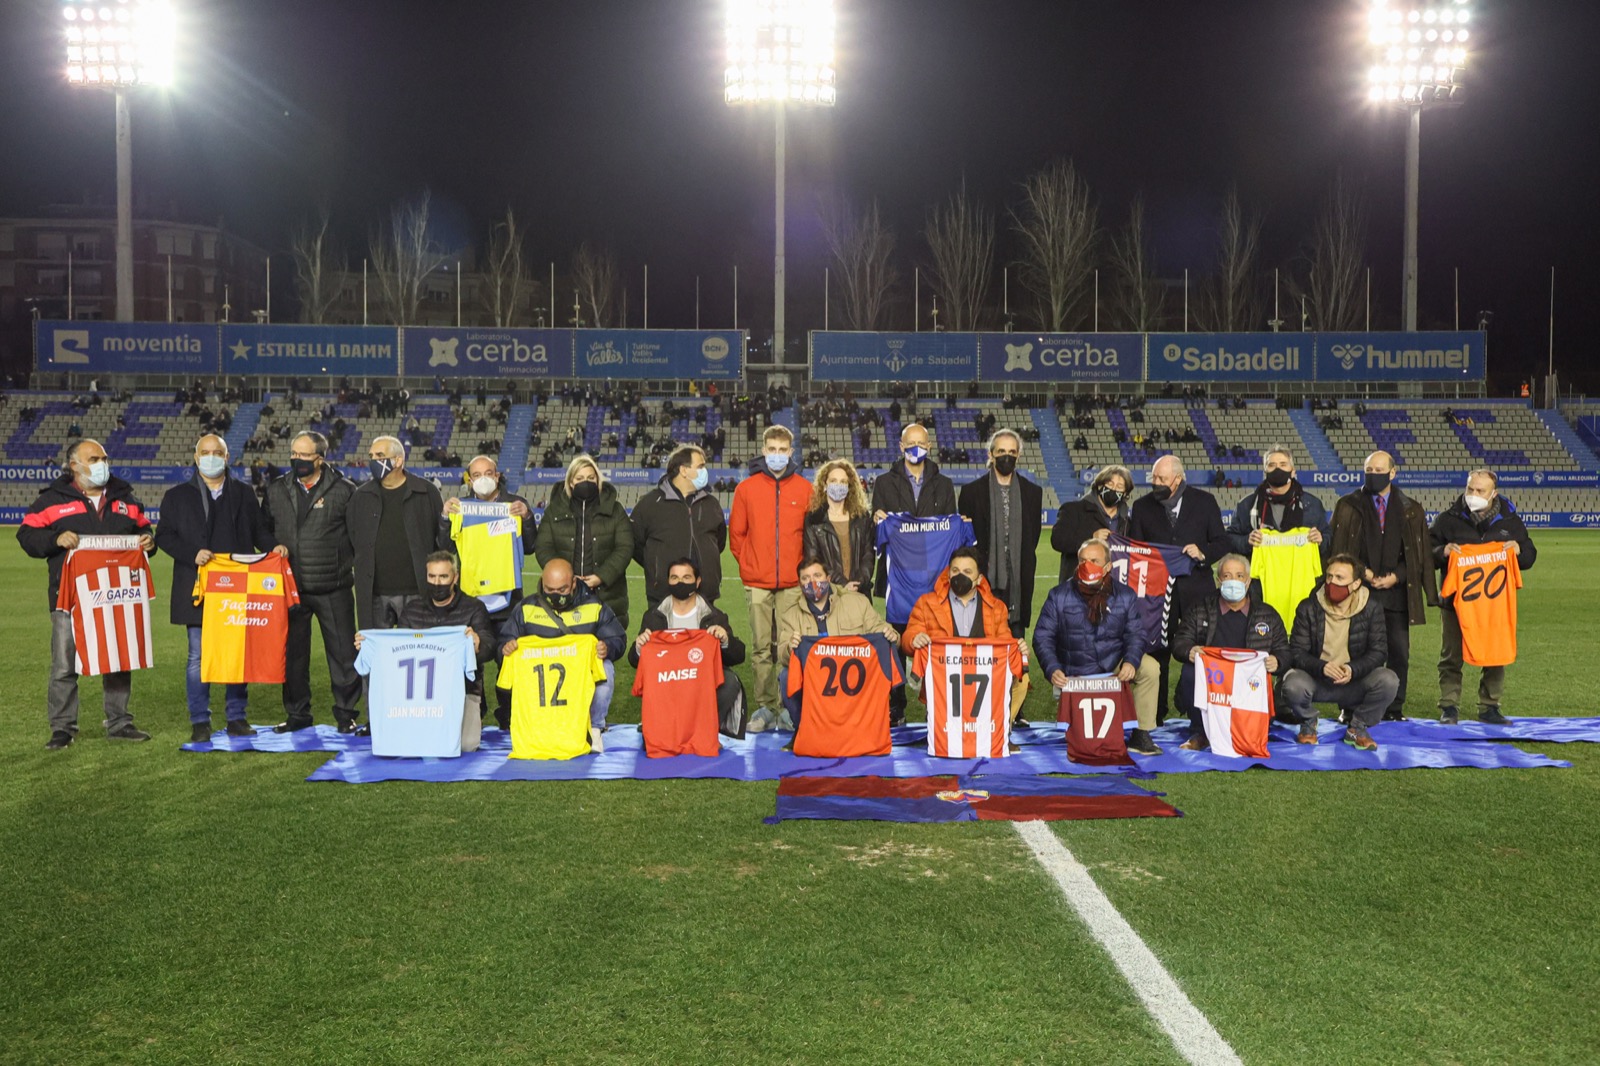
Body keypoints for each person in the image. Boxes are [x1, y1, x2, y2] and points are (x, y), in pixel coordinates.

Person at [18, 439, 158, 748]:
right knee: (64, 664)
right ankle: (63, 728)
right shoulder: (51, 500)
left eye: (104, 458)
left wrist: (149, 540)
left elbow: (143, 528)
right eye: (94, 459)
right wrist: (55, 539)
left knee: (118, 657)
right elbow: (26, 534)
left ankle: (120, 722)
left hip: (116, 593)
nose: (102, 464)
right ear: (74, 466)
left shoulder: (125, 497)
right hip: (69, 596)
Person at [155, 434, 282, 744]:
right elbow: (164, 536)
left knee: (236, 654)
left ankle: (236, 718)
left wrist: (273, 549)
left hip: (237, 589)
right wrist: (192, 553)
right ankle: (200, 721)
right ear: (196, 457)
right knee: (197, 656)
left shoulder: (244, 493)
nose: (211, 457)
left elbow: (258, 532)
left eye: (217, 452)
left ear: (227, 458)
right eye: (205, 452)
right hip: (197, 588)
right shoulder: (176, 496)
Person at [262, 430, 364, 734]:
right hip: (290, 588)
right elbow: (263, 529)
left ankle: (346, 715)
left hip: (333, 586)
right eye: (294, 454)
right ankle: (297, 714)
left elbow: (358, 536)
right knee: (293, 656)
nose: (297, 460)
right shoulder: (276, 489)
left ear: (320, 458)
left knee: (344, 655)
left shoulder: (345, 490)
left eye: (304, 455)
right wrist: (271, 546)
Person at [1329, 450, 1437, 720]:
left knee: (1399, 653)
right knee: (1354, 651)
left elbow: (1418, 555)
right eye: (1369, 470)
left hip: (1397, 595)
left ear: (1392, 472)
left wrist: (1396, 576)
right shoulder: (1347, 505)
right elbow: (1338, 549)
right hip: (1358, 592)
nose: (1373, 475)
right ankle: (1349, 708)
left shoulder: (1411, 509)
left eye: (1379, 470)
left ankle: (1394, 708)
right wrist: (1362, 572)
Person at [1127, 454, 1232, 723]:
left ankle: (1201, 713)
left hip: (1197, 591)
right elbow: (1136, 551)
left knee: (1202, 651)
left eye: (1162, 478)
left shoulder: (1205, 502)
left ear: (1178, 479)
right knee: (1157, 653)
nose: (1156, 482)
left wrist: (1203, 552)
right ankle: (1155, 715)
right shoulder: (1141, 506)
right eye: (1153, 477)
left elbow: (1222, 542)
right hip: (1156, 594)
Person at [1033, 538, 1163, 753]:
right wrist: (1052, 668)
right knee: (1084, 743)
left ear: (1108, 566)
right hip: (1074, 666)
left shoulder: (1125, 595)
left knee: (1149, 668)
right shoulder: (1059, 595)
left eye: (1094, 561)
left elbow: (1136, 634)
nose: (1087, 565)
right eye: (1083, 560)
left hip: (1112, 661)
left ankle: (1141, 733)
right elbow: (1042, 636)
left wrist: (1130, 662)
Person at [1428, 468, 1536, 725]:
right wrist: (1442, 551)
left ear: (1493, 493)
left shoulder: (1510, 521)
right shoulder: (1447, 519)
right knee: (1451, 656)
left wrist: (1518, 550)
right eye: (1470, 489)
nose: (1473, 494)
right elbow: (1426, 553)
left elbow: (1530, 556)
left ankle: (1490, 706)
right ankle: (1449, 706)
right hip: (1456, 604)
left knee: (1495, 654)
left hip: (1494, 604)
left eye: (1480, 490)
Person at [357, 551, 497, 747]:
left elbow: (490, 646)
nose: (437, 583)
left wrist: (477, 644)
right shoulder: (412, 609)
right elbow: (396, 650)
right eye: (432, 576)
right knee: (406, 744)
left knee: (465, 745)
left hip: (463, 692)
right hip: (417, 697)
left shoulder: (474, 608)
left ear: (455, 577)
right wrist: (372, 646)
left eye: (443, 577)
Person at [441, 453, 534, 731]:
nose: (483, 479)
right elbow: (445, 545)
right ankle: (474, 714)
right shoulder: (461, 508)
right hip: (471, 600)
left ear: (497, 475)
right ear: (469, 480)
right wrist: (445, 517)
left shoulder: (514, 505)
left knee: (509, 658)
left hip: (508, 598)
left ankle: (509, 714)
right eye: (476, 474)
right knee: (470, 659)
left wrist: (527, 517)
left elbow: (530, 546)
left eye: (488, 473)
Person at [730, 425, 811, 733]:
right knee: (761, 647)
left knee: (788, 648)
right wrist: (750, 566)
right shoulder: (746, 489)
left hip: (792, 585)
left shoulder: (805, 489)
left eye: (782, 450)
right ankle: (765, 707)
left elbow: (808, 537)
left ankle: (787, 707)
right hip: (757, 583)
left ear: (791, 452)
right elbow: (737, 535)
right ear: (764, 451)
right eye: (772, 450)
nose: (777, 455)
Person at [499, 557, 626, 751]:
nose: (555, 595)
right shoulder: (526, 608)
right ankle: (533, 725)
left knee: (605, 667)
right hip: (539, 681)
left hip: (578, 677)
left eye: (562, 590)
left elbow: (618, 638)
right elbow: (504, 641)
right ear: (542, 582)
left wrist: (607, 647)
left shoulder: (594, 606)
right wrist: (506, 648)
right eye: (549, 590)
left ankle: (594, 728)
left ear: (574, 583)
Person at [1169, 553, 1290, 751]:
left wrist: (1278, 661)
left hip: (1249, 684)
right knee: (1190, 671)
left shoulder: (1267, 614)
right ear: (1219, 580)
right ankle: (1201, 732)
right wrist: (1189, 650)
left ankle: (1250, 731)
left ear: (1248, 581)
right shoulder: (1200, 608)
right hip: (1214, 681)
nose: (1233, 581)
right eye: (1227, 576)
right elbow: (1180, 641)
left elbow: (1284, 650)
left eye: (1239, 576)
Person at [1280, 554, 1400, 751]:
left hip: (1354, 680)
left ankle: (1358, 727)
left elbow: (1379, 652)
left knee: (1389, 680)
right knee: (1292, 684)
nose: (1331, 582)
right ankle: (1308, 722)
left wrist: (1352, 669)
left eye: (1339, 578)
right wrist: (1322, 667)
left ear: (1356, 584)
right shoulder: (1308, 607)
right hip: (1316, 678)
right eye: (1329, 576)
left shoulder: (1372, 608)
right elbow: (1296, 652)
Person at [902, 546, 1031, 725]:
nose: (959, 576)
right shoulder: (926, 603)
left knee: (1023, 679)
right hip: (943, 687)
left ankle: (1000, 728)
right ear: (948, 574)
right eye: (955, 570)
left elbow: (1005, 645)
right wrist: (914, 639)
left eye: (967, 572)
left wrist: (1019, 650)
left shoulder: (997, 608)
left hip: (985, 683)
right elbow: (908, 638)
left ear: (979, 579)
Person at [777, 555, 900, 728]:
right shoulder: (791, 615)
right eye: (806, 578)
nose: (812, 582)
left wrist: (892, 635)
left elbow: (881, 630)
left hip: (852, 679)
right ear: (799, 584)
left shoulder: (856, 602)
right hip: (814, 681)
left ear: (828, 578)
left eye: (817, 576)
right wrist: (790, 647)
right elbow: (782, 654)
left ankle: (867, 726)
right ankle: (804, 729)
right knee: (786, 676)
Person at [629, 557, 748, 736]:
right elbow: (634, 660)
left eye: (686, 577)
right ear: (668, 581)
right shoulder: (654, 617)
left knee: (729, 682)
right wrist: (639, 648)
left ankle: (705, 728)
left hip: (701, 684)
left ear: (697, 581)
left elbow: (739, 655)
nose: (680, 583)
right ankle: (661, 725)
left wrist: (724, 640)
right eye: (674, 578)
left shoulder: (713, 616)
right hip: (668, 682)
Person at [348, 435, 448, 631]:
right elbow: (353, 538)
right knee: (378, 648)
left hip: (417, 591)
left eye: (380, 455)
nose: (373, 461)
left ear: (398, 460)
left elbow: (441, 541)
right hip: (375, 593)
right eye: (371, 456)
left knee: (418, 646)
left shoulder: (426, 492)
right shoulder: (361, 496)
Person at [958, 429, 1043, 638]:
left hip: (1019, 578)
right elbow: (966, 540)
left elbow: (1032, 537)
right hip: (984, 575)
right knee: (982, 634)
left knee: (1015, 635)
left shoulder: (1033, 492)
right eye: (1002, 451)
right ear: (991, 454)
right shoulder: (971, 492)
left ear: (1018, 455)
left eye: (1012, 452)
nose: (1007, 456)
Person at [534, 454, 634, 629]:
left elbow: (625, 547)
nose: (585, 482)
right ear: (571, 482)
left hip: (607, 596)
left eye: (590, 478)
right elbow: (543, 547)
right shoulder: (553, 511)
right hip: (564, 593)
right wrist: (565, 577)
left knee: (606, 643)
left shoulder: (615, 510)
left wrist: (601, 577)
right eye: (579, 478)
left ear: (598, 480)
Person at [632, 444, 726, 606]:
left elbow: (719, 542)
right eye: (700, 466)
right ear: (683, 470)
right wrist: (657, 567)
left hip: (705, 595)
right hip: (663, 597)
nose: (705, 471)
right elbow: (634, 543)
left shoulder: (711, 504)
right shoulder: (651, 503)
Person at [1226, 447, 1329, 556]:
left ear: (1293, 472)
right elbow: (1229, 539)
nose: (1277, 469)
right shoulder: (1247, 505)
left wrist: (1320, 540)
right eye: (1272, 465)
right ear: (1265, 472)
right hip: (1262, 566)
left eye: (1283, 465)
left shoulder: (1312, 504)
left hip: (1299, 566)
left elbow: (1328, 539)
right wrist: (1247, 541)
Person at [1051, 464, 1134, 585]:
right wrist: (1090, 538)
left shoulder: (1128, 522)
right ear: (1100, 485)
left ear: (1125, 493)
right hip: (1078, 588)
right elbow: (1058, 540)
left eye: (1119, 486)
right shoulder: (1073, 510)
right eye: (1110, 484)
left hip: (1113, 589)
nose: (1114, 489)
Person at [802, 459, 874, 593]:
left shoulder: (862, 518)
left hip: (859, 592)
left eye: (843, 482)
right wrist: (843, 584)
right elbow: (814, 559)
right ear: (825, 484)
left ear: (849, 486)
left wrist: (858, 583)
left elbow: (868, 556)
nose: (838, 485)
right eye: (833, 481)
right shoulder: (814, 520)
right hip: (829, 592)